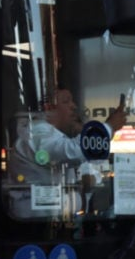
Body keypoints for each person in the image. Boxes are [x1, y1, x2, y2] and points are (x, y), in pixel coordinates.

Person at [9, 88, 126, 217]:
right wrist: (108, 127)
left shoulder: (50, 134)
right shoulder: (38, 133)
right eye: (66, 101)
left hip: (47, 219)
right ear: (48, 108)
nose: (73, 106)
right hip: (35, 224)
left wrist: (106, 130)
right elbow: (72, 150)